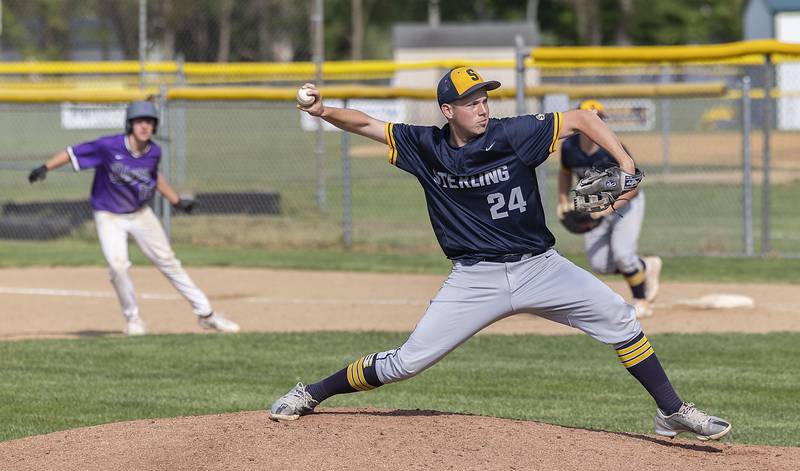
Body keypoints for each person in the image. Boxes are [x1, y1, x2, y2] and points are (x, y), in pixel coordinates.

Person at [269, 68, 730, 441]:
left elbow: (584, 120)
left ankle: (671, 412)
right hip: (475, 279)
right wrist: (324, 109)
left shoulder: (515, 134)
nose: (483, 107)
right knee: (407, 363)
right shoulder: (424, 147)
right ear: (448, 110)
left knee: (621, 319)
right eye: (471, 101)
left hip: (540, 267)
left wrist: (626, 164)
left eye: (485, 98)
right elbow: (366, 124)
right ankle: (310, 392)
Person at [28, 100, 240, 336]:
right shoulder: (108, 146)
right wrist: (45, 167)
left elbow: (154, 177)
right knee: (118, 267)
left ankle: (206, 315)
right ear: (130, 124)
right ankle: (133, 320)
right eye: (139, 121)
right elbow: (72, 152)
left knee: (168, 262)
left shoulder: (154, 152)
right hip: (109, 215)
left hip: (140, 213)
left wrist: (176, 201)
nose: (144, 127)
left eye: (149, 122)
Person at [558, 99, 661, 318]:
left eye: (599, 119)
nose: (594, 123)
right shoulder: (570, 147)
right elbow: (565, 172)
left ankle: (641, 300)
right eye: (589, 118)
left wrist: (606, 210)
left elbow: (633, 188)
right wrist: (562, 199)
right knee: (600, 264)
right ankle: (645, 267)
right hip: (595, 205)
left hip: (626, 204)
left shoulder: (613, 149)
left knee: (623, 254)